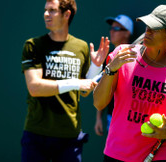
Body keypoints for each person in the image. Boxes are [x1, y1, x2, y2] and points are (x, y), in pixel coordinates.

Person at [93, 4, 166, 161]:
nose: (148, 30)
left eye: (156, 28)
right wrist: (111, 69)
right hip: (118, 154)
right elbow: (99, 103)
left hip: (161, 155)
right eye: (148, 25)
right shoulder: (122, 55)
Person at [20, 0, 109, 161]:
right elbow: (35, 87)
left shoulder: (81, 47)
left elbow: (84, 91)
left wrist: (95, 66)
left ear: (66, 14)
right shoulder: (33, 45)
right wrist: (75, 82)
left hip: (70, 137)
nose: (46, 14)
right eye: (45, 10)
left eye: (52, 10)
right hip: (37, 135)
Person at [94, 14, 134, 136]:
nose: (112, 31)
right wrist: (98, 118)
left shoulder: (135, 57)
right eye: (111, 28)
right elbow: (102, 88)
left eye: (116, 29)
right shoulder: (107, 57)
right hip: (111, 117)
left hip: (130, 120)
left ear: (127, 33)